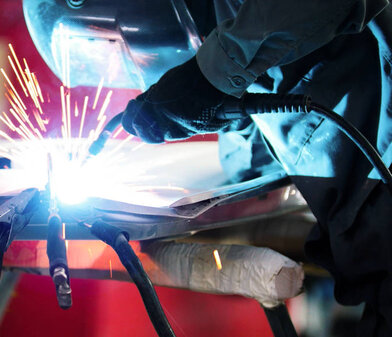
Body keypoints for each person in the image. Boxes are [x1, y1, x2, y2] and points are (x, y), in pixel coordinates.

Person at [23, 0, 392, 334]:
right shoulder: (225, 28)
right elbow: (253, 164)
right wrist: (224, 110)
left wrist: (212, 74)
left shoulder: (237, 28)